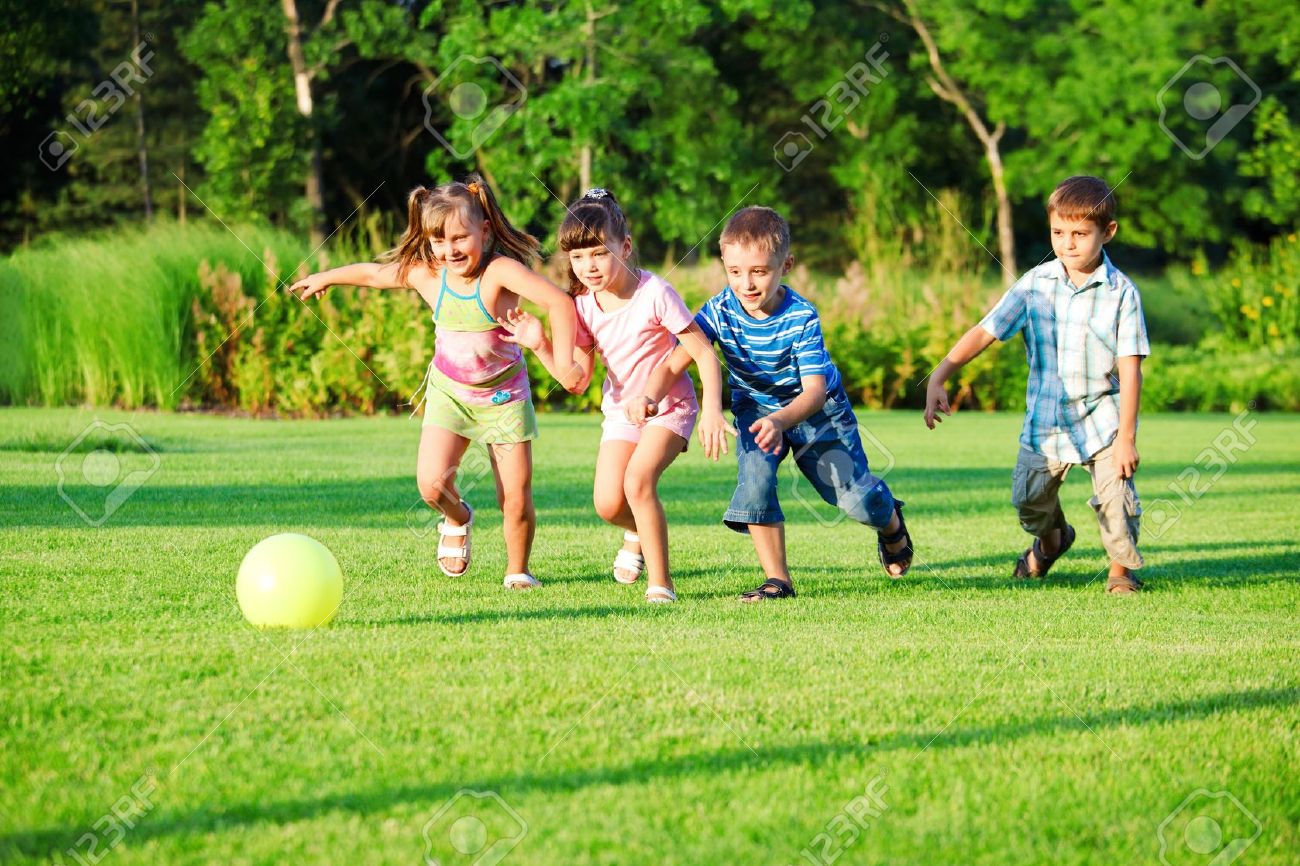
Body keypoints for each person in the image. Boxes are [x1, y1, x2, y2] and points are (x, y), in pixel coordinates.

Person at [290, 175, 576, 590]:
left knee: (514, 498)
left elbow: (558, 302)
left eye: (460, 237)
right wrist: (327, 277)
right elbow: (374, 274)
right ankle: (458, 517)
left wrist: (562, 360)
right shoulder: (428, 274)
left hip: (503, 398)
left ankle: (518, 569)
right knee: (431, 485)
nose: (449, 249)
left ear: (485, 230)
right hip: (450, 395)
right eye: (438, 241)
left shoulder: (500, 273)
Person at [633, 206, 912, 602]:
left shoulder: (801, 317)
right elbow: (676, 362)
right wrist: (649, 395)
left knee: (852, 498)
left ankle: (892, 524)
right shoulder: (718, 310)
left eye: (759, 272)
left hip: (818, 412)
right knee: (756, 482)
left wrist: (780, 421)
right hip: (754, 409)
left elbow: (814, 391)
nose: (745, 284)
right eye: (734, 272)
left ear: (786, 265)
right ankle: (778, 580)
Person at [499, 188, 730, 603]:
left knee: (638, 482)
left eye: (599, 253)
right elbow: (576, 380)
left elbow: (702, 354)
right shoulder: (581, 306)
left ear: (624, 246)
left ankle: (661, 586)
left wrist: (712, 410)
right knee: (607, 503)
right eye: (577, 257)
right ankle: (638, 532)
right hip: (622, 413)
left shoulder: (654, 292)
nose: (588, 266)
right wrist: (539, 344)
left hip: (670, 408)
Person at [923, 175, 1148, 594]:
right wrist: (940, 374)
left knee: (1116, 501)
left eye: (1080, 234)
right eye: (1058, 233)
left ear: (1108, 232)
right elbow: (986, 331)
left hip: (1103, 421)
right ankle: (1051, 542)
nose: (1068, 243)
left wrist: (1127, 438)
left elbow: (1131, 368)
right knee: (1029, 503)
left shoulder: (1122, 293)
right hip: (1046, 423)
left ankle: (1121, 571)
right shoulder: (1035, 284)